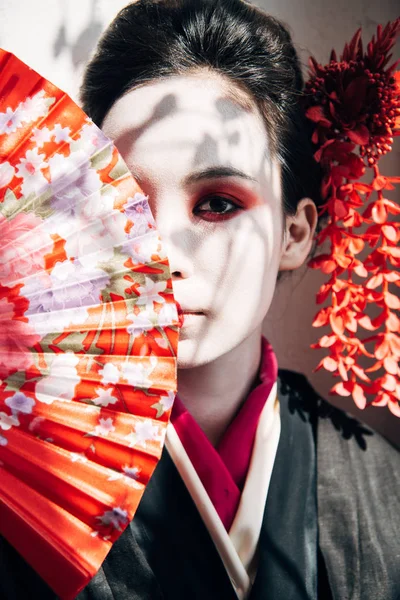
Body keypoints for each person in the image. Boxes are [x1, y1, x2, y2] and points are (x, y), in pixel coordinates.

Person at [1, 1, 399, 598]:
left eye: (217, 203)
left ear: (295, 232)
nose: (160, 255)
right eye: (126, 207)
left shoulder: (383, 487)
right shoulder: (26, 475)